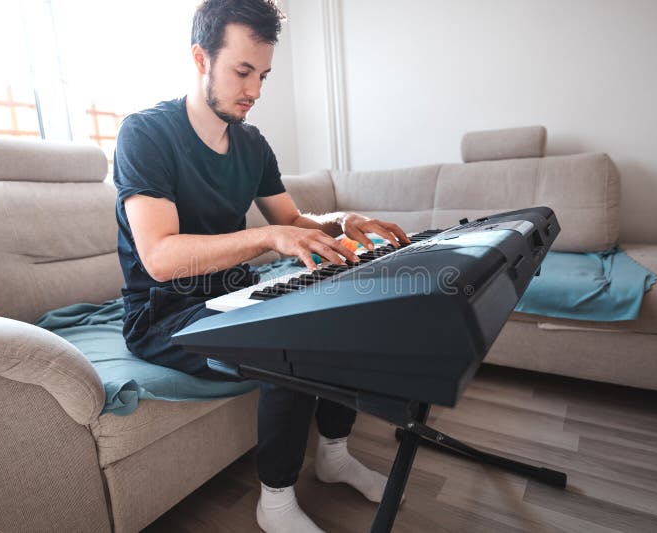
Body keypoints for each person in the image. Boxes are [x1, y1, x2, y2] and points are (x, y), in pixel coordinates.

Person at [113, 1, 410, 531]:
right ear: (201, 58)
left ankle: (334, 454)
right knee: (287, 341)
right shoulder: (145, 134)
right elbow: (158, 258)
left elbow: (293, 218)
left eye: (264, 75)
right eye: (242, 71)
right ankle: (275, 502)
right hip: (165, 314)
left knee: (343, 300)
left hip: (233, 293)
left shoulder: (251, 143)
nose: (254, 90)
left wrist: (342, 222)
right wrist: (268, 237)